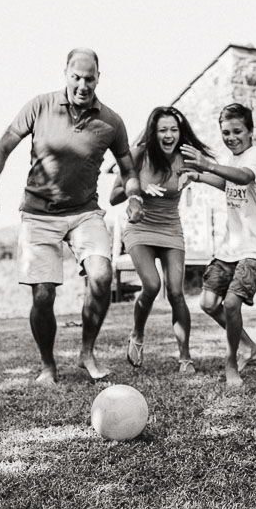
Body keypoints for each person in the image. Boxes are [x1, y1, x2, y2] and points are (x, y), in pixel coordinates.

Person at [0, 48, 144, 386]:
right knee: (43, 294)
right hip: (38, 215)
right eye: (76, 77)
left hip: (84, 213)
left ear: (99, 77)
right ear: (66, 73)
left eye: (90, 78)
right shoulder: (39, 106)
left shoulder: (111, 121)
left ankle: (87, 353)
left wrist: (135, 195)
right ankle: (48, 366)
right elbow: (2, 147)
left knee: (101, 275)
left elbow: (128, 166)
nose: (83, 84)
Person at [180, 103, 256, 387]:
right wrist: (198, 176)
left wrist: (207, 164)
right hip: (232, 246)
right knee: (209, 303)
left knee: (233, 302)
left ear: (250, 131)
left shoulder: (255, 156)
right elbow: (230, 185)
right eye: (226, 132)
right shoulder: (231, 161)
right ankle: (249, 346)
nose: (231, 137)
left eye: (237, 131)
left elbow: (245, 177)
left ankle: (231, 362)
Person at [110, 106, 214, 376]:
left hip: (170, 228)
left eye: (174, 130)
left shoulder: (185, 158)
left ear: (180, 133)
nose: (169, 135)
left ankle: (185, 358)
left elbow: (215, 177)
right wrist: (140, 188)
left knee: (176, 292)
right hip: (140, 227)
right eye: (163, 130)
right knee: (152, 284)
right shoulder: (139, 155)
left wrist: (203, 168)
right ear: (153, 133)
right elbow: (114, 197)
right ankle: (137, 333)